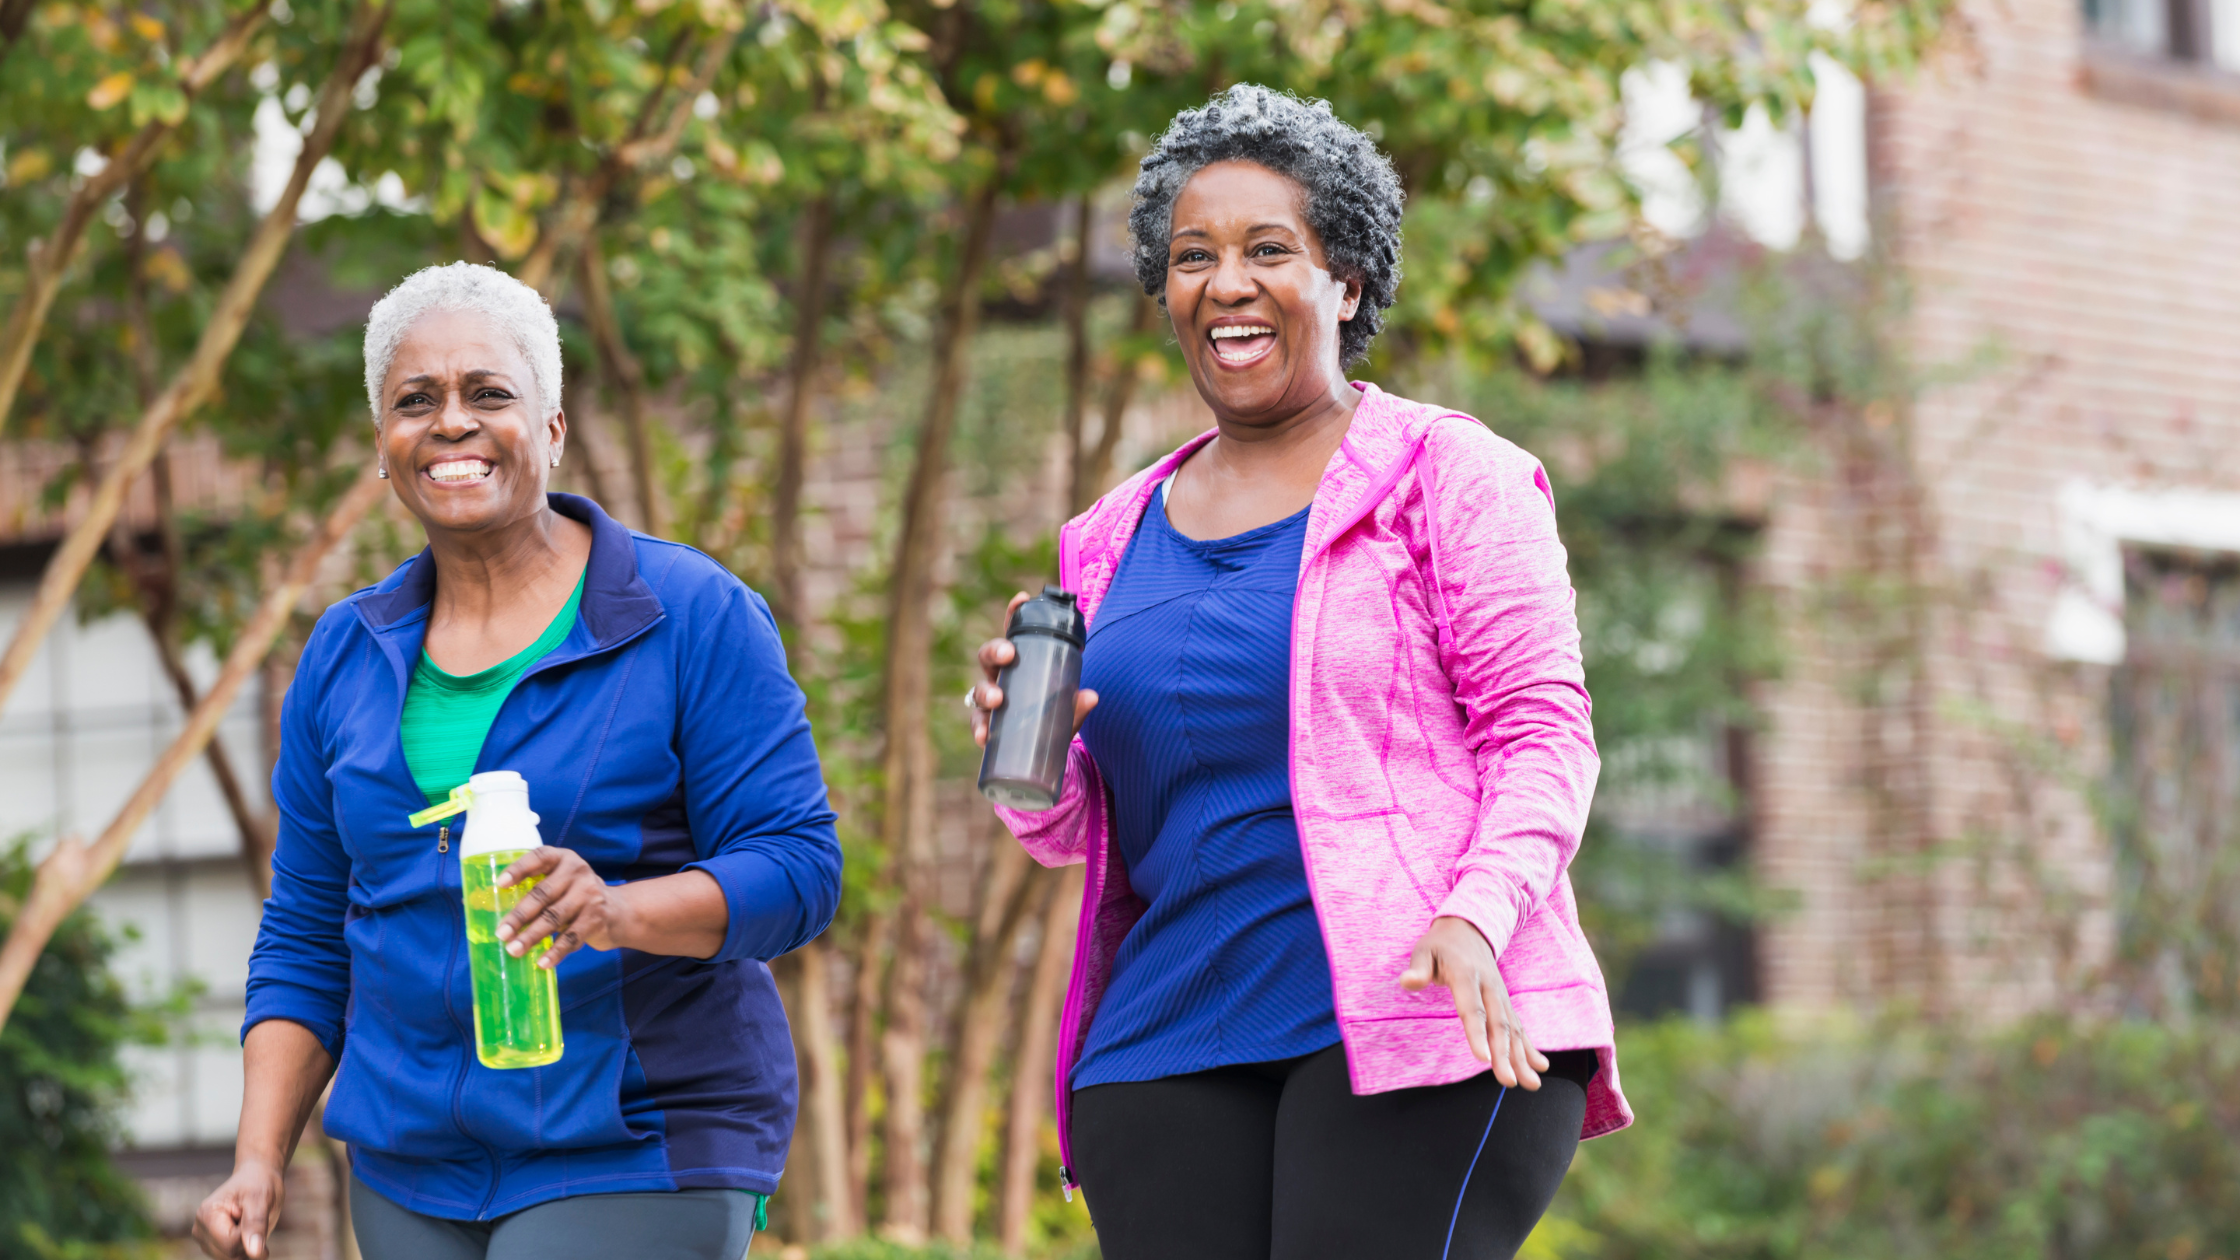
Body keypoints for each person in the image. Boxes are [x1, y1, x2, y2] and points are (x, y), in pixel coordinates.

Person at [968, 87, 1632, 1260]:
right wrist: (1027, 771)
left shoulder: (1449, 476)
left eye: (1267, 249)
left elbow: (1542, 737)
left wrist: (1475, 916)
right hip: (1163, 1038)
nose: (1225, 282)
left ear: (1346, 282)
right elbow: (1094, 830)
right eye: (1190, 256)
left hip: (1419, 1008)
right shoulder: (1106, 537)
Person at [193, 263, 838, 1260]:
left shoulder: (687, 614)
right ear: (383, 443)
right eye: (416, 401)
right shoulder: (345, 654)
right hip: (410, 1168)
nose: (450, 423)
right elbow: (307, 934)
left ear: (550, 428)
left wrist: (619, 911)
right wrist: (259, 1156)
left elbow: (798, 870)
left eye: (488, 393)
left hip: (636, 1140)